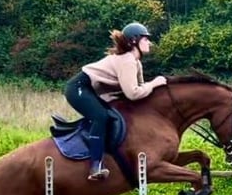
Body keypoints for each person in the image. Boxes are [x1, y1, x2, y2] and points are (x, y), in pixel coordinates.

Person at [64, 21, 168, 181]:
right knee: (101, 117)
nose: (150, 43)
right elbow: (133, 93)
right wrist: (155, 83)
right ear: (134, 41)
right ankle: (95, 165)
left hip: (89, 89)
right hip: (78, 88)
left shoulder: (136, 62)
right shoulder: (127, 61)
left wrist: (152, 87)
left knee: (110, 114)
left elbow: (140, 90)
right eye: (146, 39)